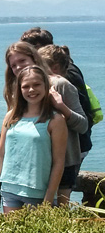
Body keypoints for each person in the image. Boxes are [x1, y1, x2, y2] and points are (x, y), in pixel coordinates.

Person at [0, 66, 67, 212]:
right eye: (26, 86)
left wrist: (48, 198)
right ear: (19, 89)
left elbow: (59, 162)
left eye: (36, 84)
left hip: (39, 193)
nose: (31, 90)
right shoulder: (11, 116)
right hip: (9, 189)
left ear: (46, 85)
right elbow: (0, 154)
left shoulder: (55, 120)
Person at [21, 27, 94, 158]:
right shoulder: (59, 71)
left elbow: (82, 117)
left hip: (72, 147)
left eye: (31, 49)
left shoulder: (64, 77)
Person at [38, 44, 88, 205]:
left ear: (55, 66)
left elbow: (83, 124)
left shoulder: (62, 85)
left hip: (65, 160)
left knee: (58, 211)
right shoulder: (37, 84)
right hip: (43, 158)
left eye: (39, 63)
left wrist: (62, 108)